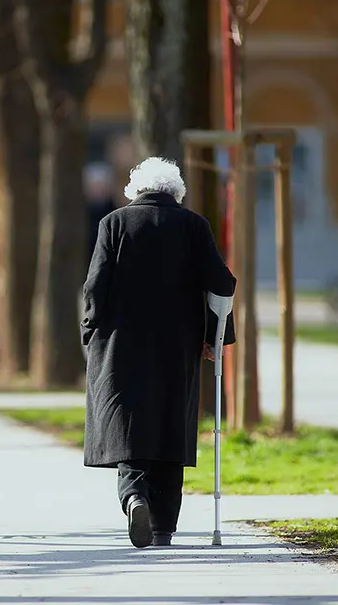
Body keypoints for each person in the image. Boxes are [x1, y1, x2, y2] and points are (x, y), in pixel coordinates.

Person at [80, 157, 237, 548]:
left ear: (135, 190)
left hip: (122, 344)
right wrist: (217, 336)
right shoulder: (194, 225)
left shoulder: (113, 223)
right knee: (171, 426)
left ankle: (134, 497)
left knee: (128, 424)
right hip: (177, 343)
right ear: (176, 192)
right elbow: (222, 282)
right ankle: (164, 526)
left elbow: (95, 284)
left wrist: (89, 327)